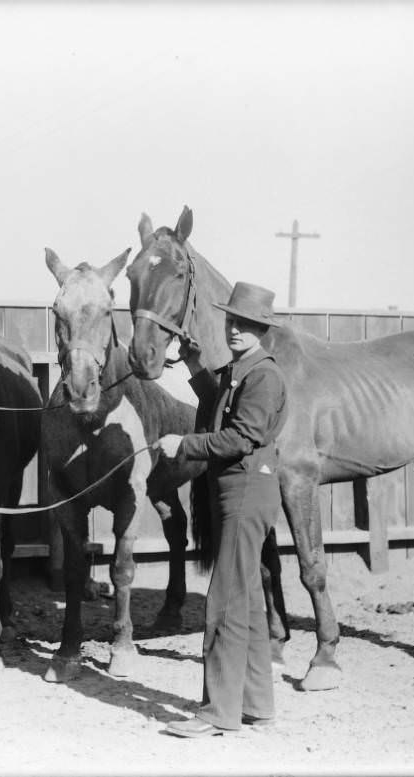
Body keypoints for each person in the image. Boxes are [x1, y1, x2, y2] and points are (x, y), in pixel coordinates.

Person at [157, 281, 289, 738]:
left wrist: (183, 445)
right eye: (232, 321)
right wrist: (194, 365)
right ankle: (255, 704)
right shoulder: (242, 370)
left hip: (247, 492)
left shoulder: (264, 376)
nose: (235, 329)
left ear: (262, 329)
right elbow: (218, 406)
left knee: (224, 601)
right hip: (238, 491)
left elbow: (238, 438)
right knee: (248, 602)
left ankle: (218, 712)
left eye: (245, 324)